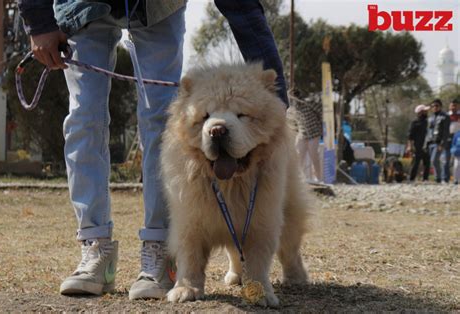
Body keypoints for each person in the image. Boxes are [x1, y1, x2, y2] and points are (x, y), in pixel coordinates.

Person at [18, 0, 289, 300]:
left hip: (159, 7)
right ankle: (95, 248)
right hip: (81, 5)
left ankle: (160, 250)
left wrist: (275, 92)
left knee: (161, 120)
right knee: (84, 118)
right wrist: (38, 19)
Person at [287, 94, 323, 182]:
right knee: (298, 156)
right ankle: (298, 179)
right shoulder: (292, 108)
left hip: (314, 133)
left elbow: (321, 112)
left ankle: (318, 178)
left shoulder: (308, 103)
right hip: (302, 134)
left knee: (313, 155)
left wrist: (322, 125)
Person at [426, 99, 450, 183]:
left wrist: (442, 143)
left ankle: (438, 178)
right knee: (432, 161)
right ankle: (438, 178)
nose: (435, 107)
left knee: (434, 160)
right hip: (430, 142)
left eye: (436, 105)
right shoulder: (430, 118)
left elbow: (446, 131)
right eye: (433, 106)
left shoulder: (445, 116)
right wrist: (426, 143)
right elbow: (428, 131)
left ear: (440, 106)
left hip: (438, 142)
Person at [407, 104, 430, 182]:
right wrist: (410, 146)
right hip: (417, 146)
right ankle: (411, 178)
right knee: (416, 162)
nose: (426, 112)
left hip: (426, 145)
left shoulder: (427, 122)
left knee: (427, 162)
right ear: (420, 112)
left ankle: (425, 178)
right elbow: (410, 136)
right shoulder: (415, 122)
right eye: (425, 111)